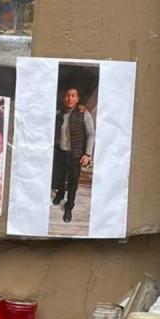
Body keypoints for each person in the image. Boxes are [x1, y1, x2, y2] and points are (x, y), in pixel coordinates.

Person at [52, 86, 94, 223]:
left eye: (73, 95)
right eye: (67, 95)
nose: (70, 98)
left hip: (75, 155)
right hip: (60, 153)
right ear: (64, 98)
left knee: (72, 183)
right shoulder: (59, 114)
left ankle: (69, 206)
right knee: (59, 178)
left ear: (77, 98)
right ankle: (59, 195)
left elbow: (90, 134)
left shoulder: (83, 113)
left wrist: (87, 154)